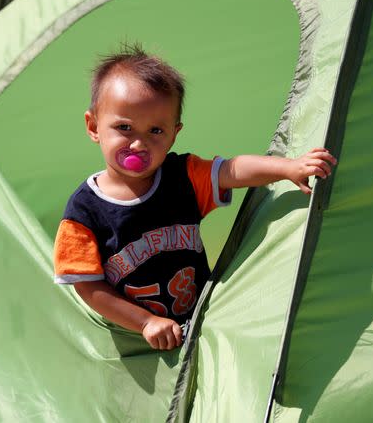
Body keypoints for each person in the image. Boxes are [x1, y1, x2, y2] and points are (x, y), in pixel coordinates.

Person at [53, 46, 336, 351]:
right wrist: (144, 323)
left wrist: (288, 168)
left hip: (201, 324)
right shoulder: (82, 213)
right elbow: (88, 287)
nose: (138, 143)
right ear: (94, 127)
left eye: (155, 131)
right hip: (136, 342)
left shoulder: (182, 176)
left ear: (173, 135)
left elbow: (232, 170)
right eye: (124, 127)